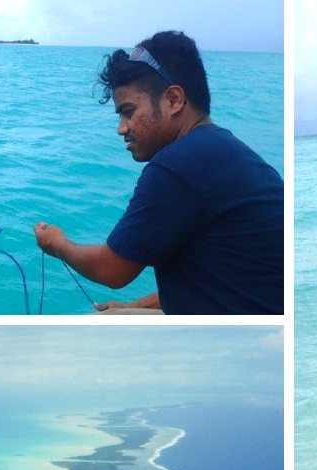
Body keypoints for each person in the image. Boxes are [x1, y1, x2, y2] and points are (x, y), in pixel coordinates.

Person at [32, 31, 283, 315]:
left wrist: (57, 243)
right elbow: (222, 280)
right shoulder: (229, 152)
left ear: (174, 100)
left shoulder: (176, 166)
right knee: (116, 315)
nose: (122, 128)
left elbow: (112, 270)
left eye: (128, 111)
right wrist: (134, 306)